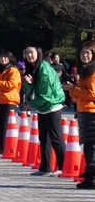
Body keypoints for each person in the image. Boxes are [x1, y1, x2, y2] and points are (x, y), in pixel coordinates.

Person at [23, 45, 65, 176]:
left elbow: (46, 95)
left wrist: (32, 105)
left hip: (52, 106)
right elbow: (28, 91)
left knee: (56, 138)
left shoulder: (44, 69)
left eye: (32, 52)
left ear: (38, 53)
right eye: (27, 53)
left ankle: (64, 166)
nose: (29, 55)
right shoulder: (33, 68)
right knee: (44, 138)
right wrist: (29, 83)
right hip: (43, 108)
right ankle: (45, 167)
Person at [65, 41, 95, 190]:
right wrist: (72, 89)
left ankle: (92, 177)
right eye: (82, 53)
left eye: (88, 53)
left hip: (92, 112)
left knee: (91, 145)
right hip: (84, 110)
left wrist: (74, 89)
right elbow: (80, 93)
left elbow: (92, 94)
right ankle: (90, 175)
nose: (85, 56)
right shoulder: (85, 71)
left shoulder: (93, 72)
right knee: (88, 145)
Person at [0, 52, 21, 156]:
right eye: (1, 57)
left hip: (9, 101)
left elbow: (11, 85)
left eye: (5, 57)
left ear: (10, 58)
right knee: (0, 126)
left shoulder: (13, 70)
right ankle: (0, 148)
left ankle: (5, 149)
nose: (3, 59)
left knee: (6, 126)